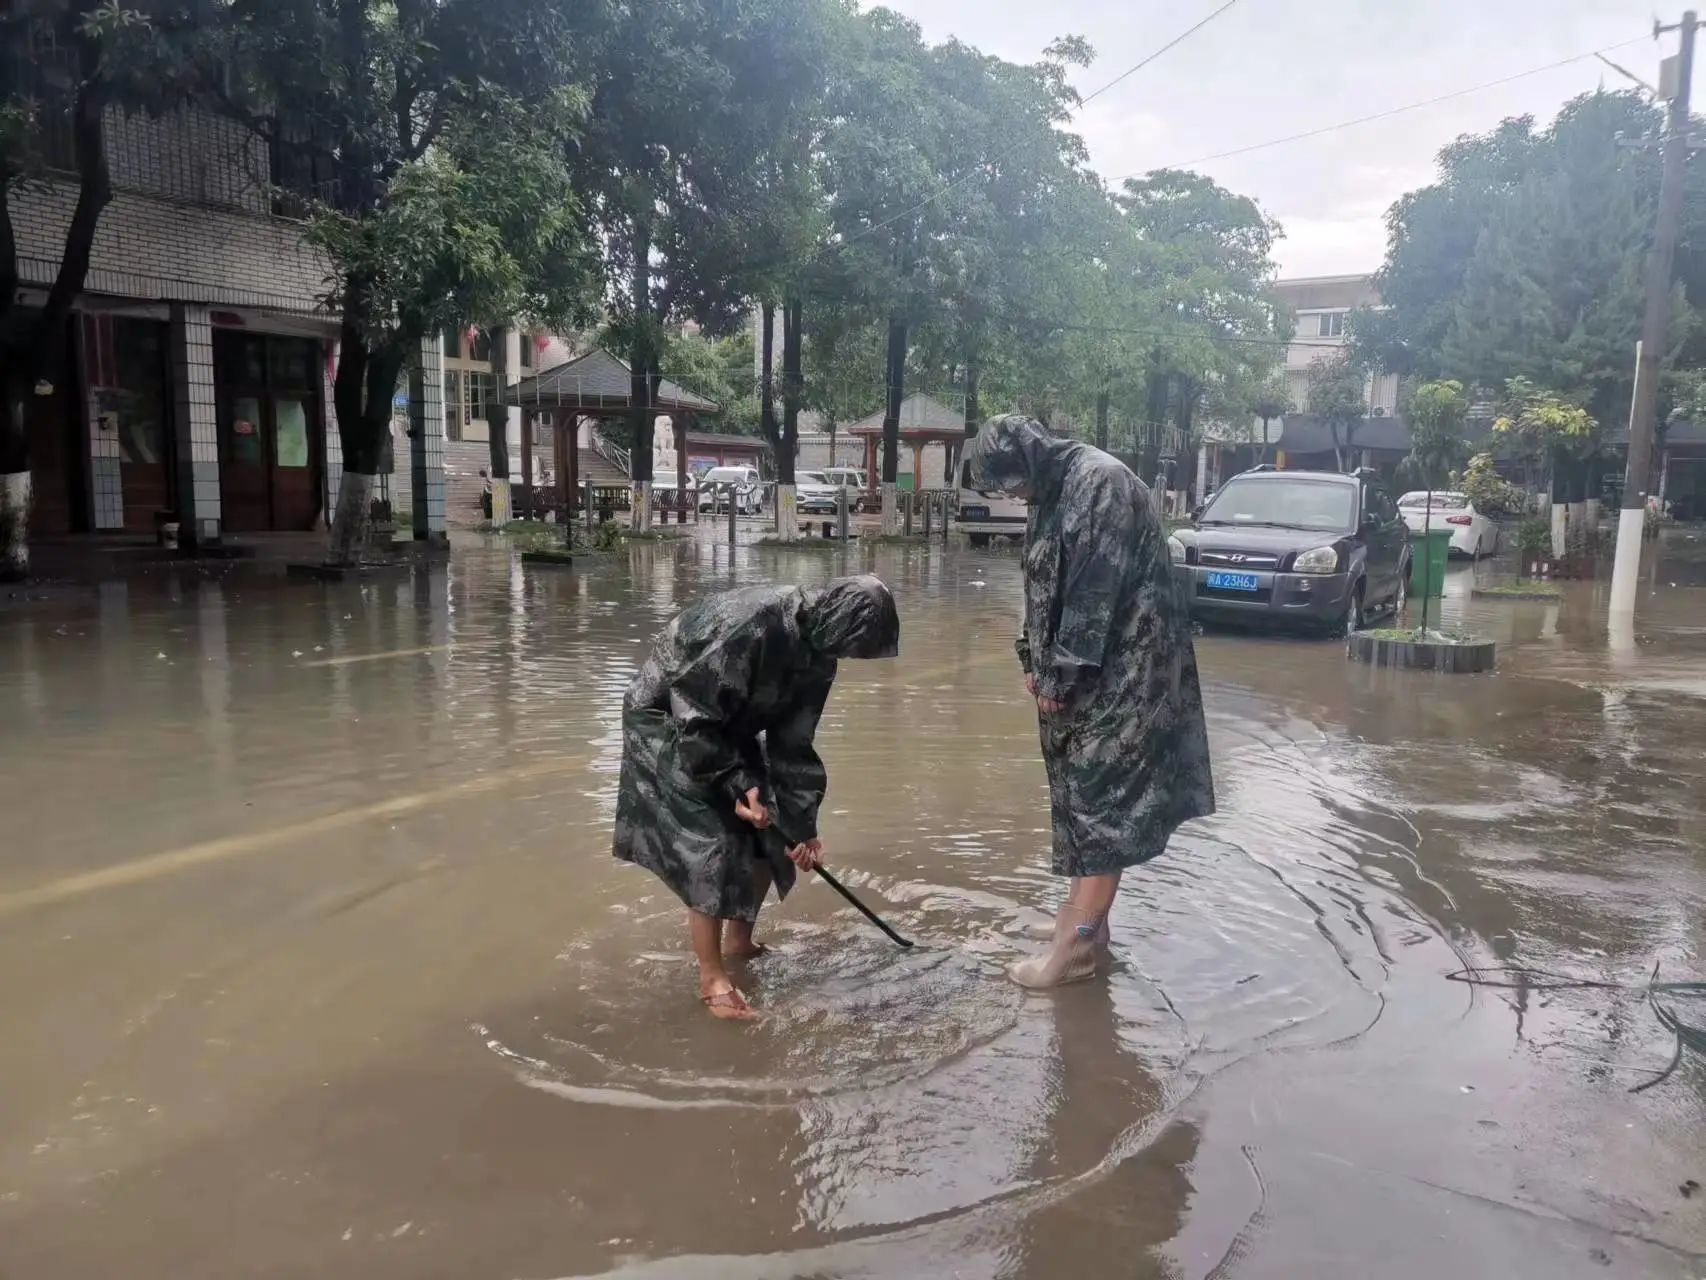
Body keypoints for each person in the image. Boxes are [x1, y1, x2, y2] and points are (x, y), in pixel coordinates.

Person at [964, 414, 1215, 989]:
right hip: (1083, 678)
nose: (1009, 495)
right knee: (1078, 798)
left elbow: (1092, 591)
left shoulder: (1098, 482)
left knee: (1103, 802)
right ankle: (1084, 931)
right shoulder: (1051, 493)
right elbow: (1043, 583)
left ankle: (1073, 949)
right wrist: (1034, 660)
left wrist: (1060, 677)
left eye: (1007, 482)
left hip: (1127, 674)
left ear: (1027, 459)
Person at [613, 575, 901, 1020]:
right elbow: (695, 716)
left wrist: (804, 830)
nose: (844, 657)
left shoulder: (820, 652)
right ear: (838, 622)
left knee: (773, 827)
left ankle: (739, 942)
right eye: (848, 647)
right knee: (713, 840)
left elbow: (794, 742)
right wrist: (734, 784)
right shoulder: (751, 626)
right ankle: (711, 978)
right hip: (669, 716)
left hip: (728, 724)